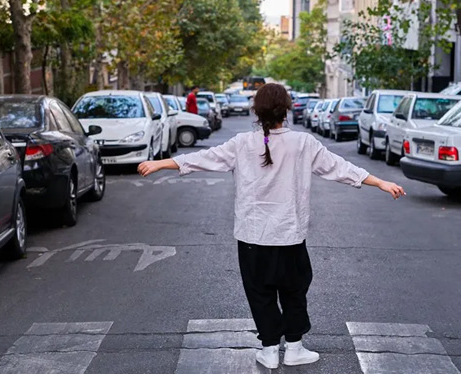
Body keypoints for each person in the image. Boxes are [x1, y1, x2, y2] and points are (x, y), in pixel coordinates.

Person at [137, 83, 405, 370]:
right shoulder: (303, 144)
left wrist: (162, 163)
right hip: (290, 236)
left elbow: (204, 158)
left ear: (257, 111)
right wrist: (379, 182)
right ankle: (294, 348)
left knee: (260, 294)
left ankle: (268, 350)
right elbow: (339, 167)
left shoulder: (242, 143)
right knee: (294, 291)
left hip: (252, 238)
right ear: (287, 109)